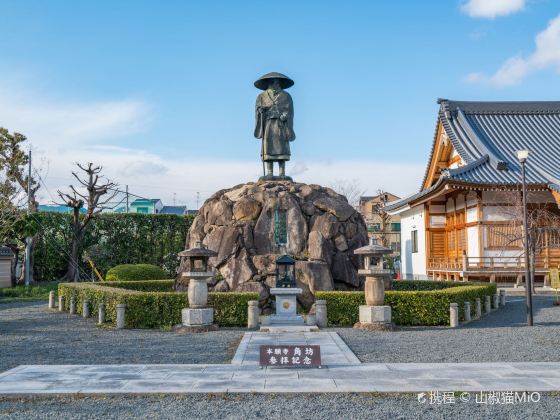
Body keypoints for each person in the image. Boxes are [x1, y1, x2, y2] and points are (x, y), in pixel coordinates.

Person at [254, 72, 295, 179]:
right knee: (268, 146)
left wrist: (285, 115)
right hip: (267, 124)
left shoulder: (286, 96)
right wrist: (260, 110)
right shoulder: (261, 96)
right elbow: (258, 108)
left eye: (277, 81)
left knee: (282, 147)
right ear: (268, 83)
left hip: (281, 125)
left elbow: (289, 111)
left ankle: (282, 173)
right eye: (272, 81)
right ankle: (270, 172)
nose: (274, 83)